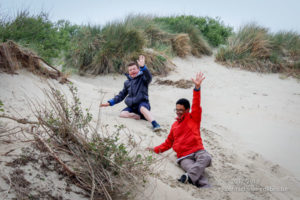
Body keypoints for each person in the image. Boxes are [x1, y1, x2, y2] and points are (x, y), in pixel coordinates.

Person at [146, 72, 212, 188]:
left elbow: (196, 103)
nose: (178, 112)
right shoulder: (174, 126)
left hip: (198, 151)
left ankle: (189, 177)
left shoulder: (194, 118)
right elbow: (167, 144)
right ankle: (204, 186)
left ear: (187, 110)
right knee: (192, 168)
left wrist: (197, 88)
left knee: (206, 157)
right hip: (184, 157)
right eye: (177, 110)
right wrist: (155, 149)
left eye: (181, 110)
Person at [100, 55, 161, 131]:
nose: (132, 71)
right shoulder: (127, 83)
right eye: (130, 70)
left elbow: (149, 77)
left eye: (134, 69)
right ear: (128, 72)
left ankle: (155, 124)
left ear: (138, 69)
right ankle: (140, 116)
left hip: (143, 103)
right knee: (122, 114)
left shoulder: (143, 79)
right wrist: (110, 102)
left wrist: (143, 67)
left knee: (142, 109)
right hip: (132, 107)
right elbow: (121, 95)